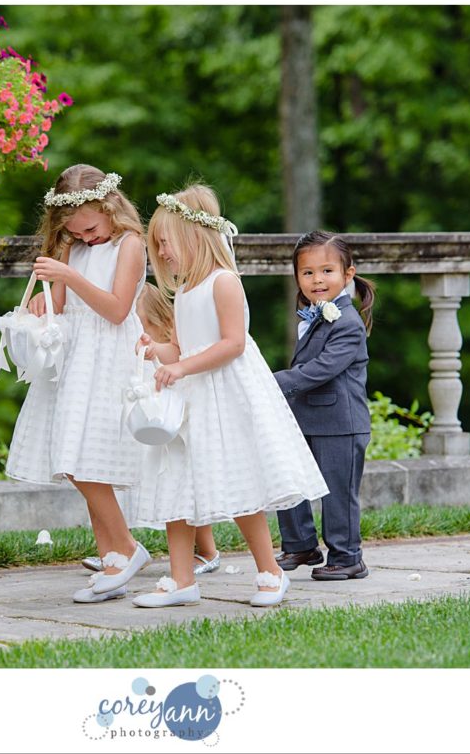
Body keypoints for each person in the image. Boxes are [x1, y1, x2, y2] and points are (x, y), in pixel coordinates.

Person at [119, 185, 328, 608]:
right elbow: (179, 348)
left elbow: (232, 343)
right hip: (190, 398)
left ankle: (269, 570)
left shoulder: (223, 282)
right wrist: (153, 350)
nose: (162, 251)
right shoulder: (182, 293)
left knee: (237, 484)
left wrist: (181, 366)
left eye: (166, 242)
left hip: (224, 395)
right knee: (176, 485)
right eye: (157, 244)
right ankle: (181, 580)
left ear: (195, 237)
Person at [4, 164, 151, 604]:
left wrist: (71, 278)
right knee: (72, 458)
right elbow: (63, 305)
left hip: (109, 356)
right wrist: (42, 303)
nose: (85, 237)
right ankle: (111, 559)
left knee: (86, 460)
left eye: (90, 228)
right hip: (75, 359)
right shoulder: (74, 246)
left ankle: (125, 547)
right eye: (75, 231)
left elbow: (117, 309)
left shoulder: (131, 245)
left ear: (111, 208)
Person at [81, 282, 222, 577]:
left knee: (183, 477)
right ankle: (115, 549)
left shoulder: (170, 348)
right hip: (139, 401)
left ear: (159, 323)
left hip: (164, 402)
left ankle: (207, 550)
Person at [272, 231, 376, 581]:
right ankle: (300, 544)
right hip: (308, 420)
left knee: (338, 494)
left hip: (340, 423)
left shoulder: (347, 323)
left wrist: (273, 382)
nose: (317, 280)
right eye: (307, 273)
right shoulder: (314, 316)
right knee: (290, 480)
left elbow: (321, 369)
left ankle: (348, 557)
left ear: (347, 274)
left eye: (327, 271)